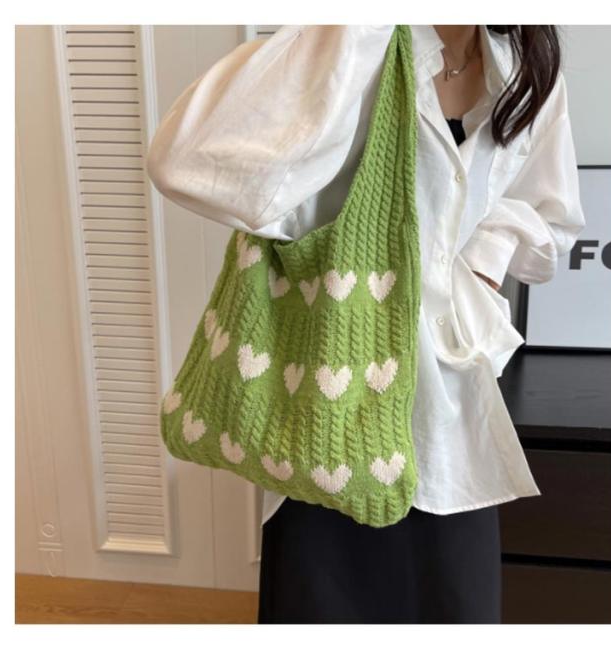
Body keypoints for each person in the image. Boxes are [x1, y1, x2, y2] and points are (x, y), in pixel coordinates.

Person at [146, 25, 586, 624]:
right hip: (323, 413)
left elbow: (547, 210)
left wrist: (483, 263)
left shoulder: (528, 65)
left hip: (450, 420)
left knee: (455, 604)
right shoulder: (354, 40)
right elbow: (183, 160)